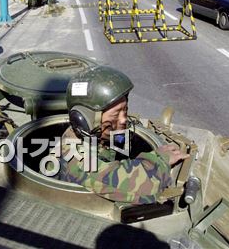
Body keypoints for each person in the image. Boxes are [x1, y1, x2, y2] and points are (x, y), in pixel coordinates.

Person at [55, 65, 189, 204]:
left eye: (125, 110)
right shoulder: (75, 159)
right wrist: (161, 159)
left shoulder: (97, 134)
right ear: (86, 119)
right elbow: (144, 186)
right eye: (116, 114)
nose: (123, 119)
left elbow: (122, 141)